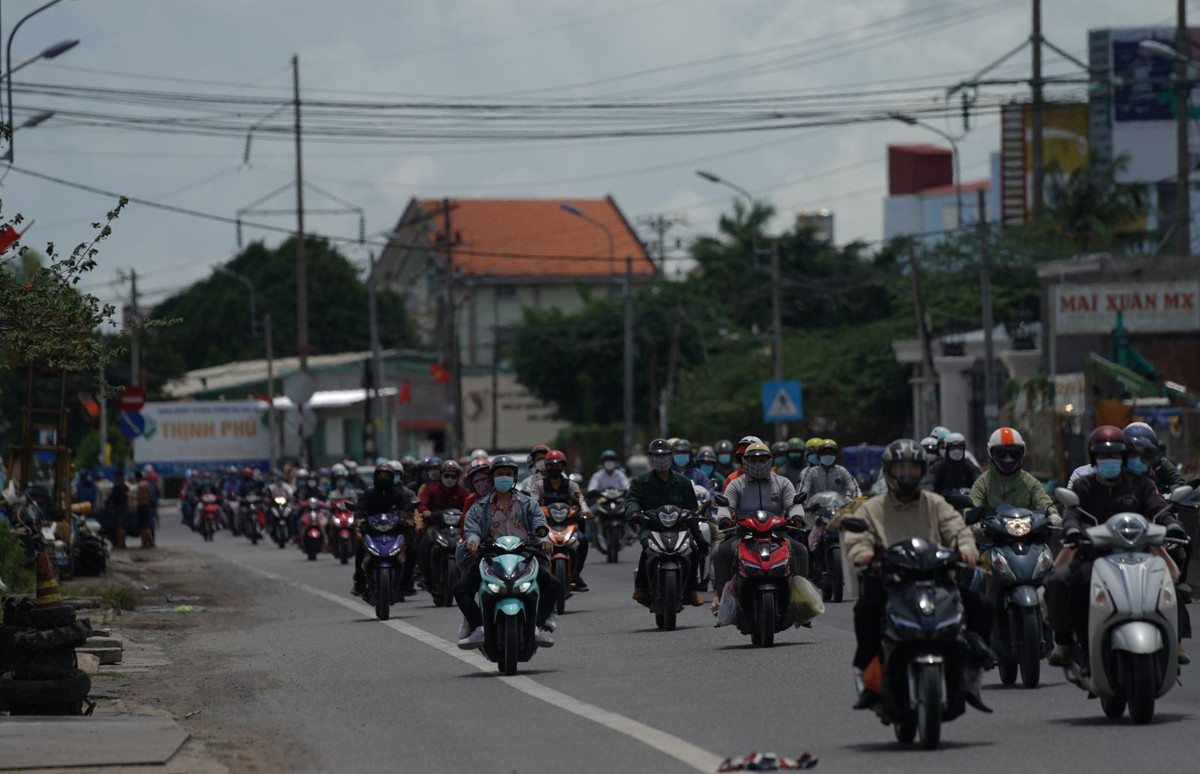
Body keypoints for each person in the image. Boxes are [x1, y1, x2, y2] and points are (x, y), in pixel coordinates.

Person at [839, 438, 991, 711]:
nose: (906, 475)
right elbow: (857, 536)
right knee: (866, 611)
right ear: (889, 471)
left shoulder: (935, 503)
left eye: (913, 469)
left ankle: (971, 672)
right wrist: (863, 554)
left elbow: (957, 529)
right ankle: (868, 679)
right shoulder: (873, 507)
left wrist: (967, 550)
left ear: (923, 471)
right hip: (890, 581)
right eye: (900, 469)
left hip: (936, 578)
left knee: (982, 605)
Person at [1045, 425, 1188, 665]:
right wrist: (1072, 530)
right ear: (1095, 458)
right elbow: (1073, 514)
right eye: (1103, 456)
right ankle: (1066, 643)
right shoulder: (1084, 486)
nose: (1109, 460)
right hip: (1095, 556)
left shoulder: (1141, 485)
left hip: (1137, 553)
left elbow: (1157, 508)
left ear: (1123, 457)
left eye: (1114, 455)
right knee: (1059, 582)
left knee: (1172, 584)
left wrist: (1171, 524)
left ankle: (1175, 642)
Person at [455, 455, 561, 649]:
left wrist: (544, 540)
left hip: (525, 557)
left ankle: (538, 626)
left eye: (508, 474)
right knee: (460, 589)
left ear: (514, 477)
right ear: (493, 477)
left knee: (553, 584)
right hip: (490, 559)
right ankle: (478, 626)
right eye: (500, 474)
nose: (504, 477)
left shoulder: (529, 503)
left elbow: (540, 526)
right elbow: (472, 529)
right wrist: (473, 541)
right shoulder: (479, 506)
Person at [711, 442, 809, 613]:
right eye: (753, 460)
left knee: (801, 551)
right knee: (719, 553)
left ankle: (801, 603)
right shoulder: (736, 484)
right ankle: (724, 601)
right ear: (745, 462)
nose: (757, 464)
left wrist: (797, 516)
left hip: (777, 534)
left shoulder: (782, 483)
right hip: (744, 535)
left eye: (762, 459)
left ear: (770, 461)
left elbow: (793, 504)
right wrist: (725, 519)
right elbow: (726, 506)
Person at [626, 438, 703, 605]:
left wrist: (699, 538)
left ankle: (691, 590)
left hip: (680, 528)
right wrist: (633, 512)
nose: (660, 459)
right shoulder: (641, 481)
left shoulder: (682, 482)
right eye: (656, 456)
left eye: (664, 455)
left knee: (694, 551)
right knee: (647, 551)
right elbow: (632, 499)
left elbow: (692, 510)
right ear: (650, 458)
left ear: (671, 456)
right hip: (651, 528)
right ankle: (640, 587)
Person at [352, 461, 419, 598]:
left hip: (394, 530)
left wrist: (408, 518)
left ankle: (407, 583)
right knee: (359, 551)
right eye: (380, 475)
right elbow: (360, 508)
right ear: (376, 477)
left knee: (412, 549)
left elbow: (406, 508)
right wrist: (358, 519)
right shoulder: (369, 493)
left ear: (392, 478)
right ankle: (359, 584)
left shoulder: (398, 494)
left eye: (387, 476)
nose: (384, 479)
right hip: (372, 530)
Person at [529, 450, 592, 590]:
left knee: (582, 540)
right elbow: (533, 502)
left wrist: (586, 510)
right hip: (546, 525)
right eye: (551, 465)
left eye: (558, 465)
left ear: (563, 466)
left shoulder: (572, 485)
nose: (554, 468)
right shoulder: (539, 485)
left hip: (568, 524)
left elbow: (580, 499)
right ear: (546, 466)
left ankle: (577, 574)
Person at [970, 427, 1058, 519]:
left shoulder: (1030, 483)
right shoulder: (982, 484)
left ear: (1022, 454)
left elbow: (1043, 501)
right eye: (1001, 454)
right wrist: (972, 519)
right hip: (990, 532)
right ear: (991, 454)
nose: (1008, 459)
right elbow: (972, 505)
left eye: (1014, 453)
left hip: (1026, 531)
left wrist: (1053, 514)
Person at [418, 460, 470, 585]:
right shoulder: (431, 489)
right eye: (446, 476)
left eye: (453, 476)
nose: (449, 479)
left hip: (457, 527)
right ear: (441, 475)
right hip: (435, 526)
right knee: (425, 543)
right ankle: (424, 575)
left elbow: (469, 505)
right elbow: (422, 504)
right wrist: (425, 511)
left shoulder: (462, 491)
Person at [797, 439, 861, 500]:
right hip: (816, 509)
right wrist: (800, 502)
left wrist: (858, 499)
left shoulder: (842, 471)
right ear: (819, 455)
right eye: (824, 453)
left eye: (831, 453)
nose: (828, 455)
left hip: (839, 509)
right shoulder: (811, 472)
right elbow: (803, 490)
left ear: (835, 455)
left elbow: (854, 488)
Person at [107, 470, 129, 549]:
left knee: (119, 527)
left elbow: (111, 497)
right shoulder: (124, 485)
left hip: (118, 508)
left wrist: (107, 502)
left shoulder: (116, 486)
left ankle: (120, 544)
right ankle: (123, 543)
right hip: (123, 507)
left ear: (117, 476)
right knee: (122, 527)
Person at [134, 470, 154, 548]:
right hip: (147, 505)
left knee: (142, 527)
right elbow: (149, 494)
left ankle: (144, 543)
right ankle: (151, 542)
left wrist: (132, 497)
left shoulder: (140, 486)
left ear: (137, 478)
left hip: (142, 506)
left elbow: (139, 497)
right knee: (146, 526)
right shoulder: (146, 484)